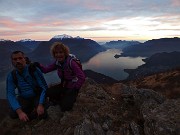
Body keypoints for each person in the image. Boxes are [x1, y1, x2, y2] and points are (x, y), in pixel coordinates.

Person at [38, 42, 85, 112]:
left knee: (65, 108)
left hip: (72, 87)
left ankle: (65, 99)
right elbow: (46, 70)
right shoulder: (57, 62)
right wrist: (38, 65)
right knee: (48, 92)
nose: (58, 55)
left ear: (65, 53)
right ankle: (62, 98)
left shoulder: (71, 62)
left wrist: (76, 88)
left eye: (61, 52)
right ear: (54, 54)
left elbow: (82, 77)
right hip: (64, 85)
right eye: (56, 53)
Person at [6, 51, 48, 122]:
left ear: (24, 59)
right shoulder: (12, 75)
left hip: (37, 95)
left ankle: (38, 108)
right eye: (15, 59)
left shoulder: (33, 70)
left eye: (20, 58)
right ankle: (30, 111)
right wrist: (19, 112)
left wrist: (40, 104)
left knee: (43, 114)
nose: (18, 61)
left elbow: (44, 87)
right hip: (24, 98)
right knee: (13, 114)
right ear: (12, 62)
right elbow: (10, 94)